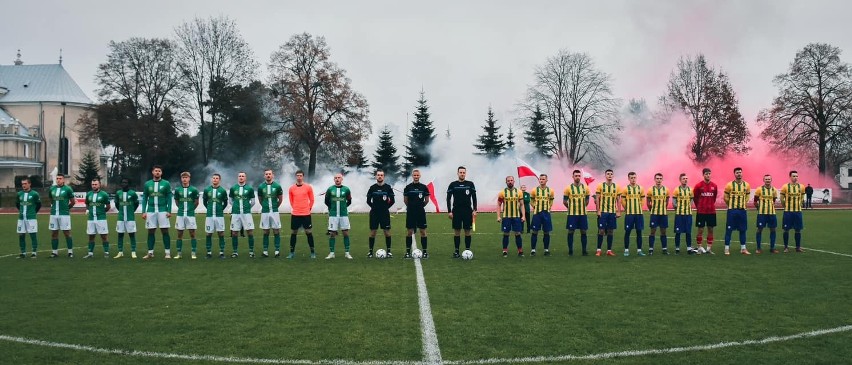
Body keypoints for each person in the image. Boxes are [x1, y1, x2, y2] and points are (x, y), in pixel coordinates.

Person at [141, 165, 172, 259]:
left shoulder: (166, 183)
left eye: (159, 171)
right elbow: (145, 198)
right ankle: (150, 253)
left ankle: (167, 252)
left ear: (161, 173)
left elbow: (169, 198)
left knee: (165, 231)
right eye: (156, 171)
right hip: (151, 211)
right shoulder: (147, 184)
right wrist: (143, 211)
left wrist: (169, 210)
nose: (157, 172)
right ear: (152, 172)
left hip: (163, 211)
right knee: (150, 231)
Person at [447, 166, 477, 258]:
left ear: (465, 173)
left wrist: (475, 210)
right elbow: (448, 198)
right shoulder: (453, 184)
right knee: (457, 231)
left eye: (464, 172)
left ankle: (467, 250)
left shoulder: (470, 184)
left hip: (468, 211)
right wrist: (449, 211)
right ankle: (456, 251)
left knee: (468, 231)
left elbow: (474, 198)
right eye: (460, 172)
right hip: (456, 211)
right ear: (457, 173)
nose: (462, 174)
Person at [367, 169, 395, 258]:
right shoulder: (372, 188)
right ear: (376, 176)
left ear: (384, 177)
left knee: (387, 232)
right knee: (373, 232)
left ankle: (389, 251)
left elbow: (392, 201)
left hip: (384, 214)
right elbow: (368, 201)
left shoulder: (388, 187)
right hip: (374, 213)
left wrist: (386, 208)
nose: (380, 176)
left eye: (381, 175)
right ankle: (370, 252)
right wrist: (374, 207)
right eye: (378, 175)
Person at [287, 170, 315, 258]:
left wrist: (308, 208)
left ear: (303, 177)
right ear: (296, 177)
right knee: (294, 232)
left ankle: (312, 252)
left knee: (308, 232)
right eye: (297, 175)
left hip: (306, 214)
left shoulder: (308, 187)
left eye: (300, 176)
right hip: (295, 214)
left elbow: (312, 199)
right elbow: (291, 200)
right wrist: (295, 207)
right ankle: (291, 253)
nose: (299, 177)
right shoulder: (291, 188)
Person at [325, 172, 353, 259]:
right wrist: (331, 208)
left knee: (345, 233)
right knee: (332, 234)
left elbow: (349, 201)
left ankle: (347, 253)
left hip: (344, 215)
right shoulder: (330, 189)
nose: (337, 179)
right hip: (333, 215)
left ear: (342, 179)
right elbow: (326, 201)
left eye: (339, 178)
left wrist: (344, 207)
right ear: (334, 179)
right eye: (336, 178)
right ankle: (332, 253)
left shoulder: (346, 189)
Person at [723, 167, 751, 255]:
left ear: (742, 173)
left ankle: (743, 248)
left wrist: (743, 204)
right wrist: (731, 205)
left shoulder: (747, 185)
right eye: (737, 172)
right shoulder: (729, 185)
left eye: (740, 172)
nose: (739, 174)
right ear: (734, 174)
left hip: (742, 211)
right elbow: (725, 198)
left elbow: (747, 197)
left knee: (743, 230)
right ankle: (726, 248)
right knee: (729, 230)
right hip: (732, 211)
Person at [257, 169, 284, 258]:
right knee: (265, 231)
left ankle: (277, 251)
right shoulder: (261, 187)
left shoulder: (277, 186)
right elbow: (260, 199)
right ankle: (265, 251)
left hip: (275, 212)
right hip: (265, 212)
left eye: (269, 174)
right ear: (264, 176)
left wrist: (275, 207)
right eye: (266, 174)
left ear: (273, 175)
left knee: (276, 231)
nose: (268, 175)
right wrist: (265, 206)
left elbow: (280, 199)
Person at [403, 169, 429, 259]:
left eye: (417, 175)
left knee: (423, 232)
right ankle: (407, 252)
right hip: (411, 213)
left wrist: (420, 206)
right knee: (410, 232)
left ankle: (425, 252)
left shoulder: (424, 187)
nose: (416, 177)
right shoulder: (408, 187)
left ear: (420, 176)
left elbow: (427, 200)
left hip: (420, 213)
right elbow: (405, 200)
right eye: (415, 175)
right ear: (412, 176)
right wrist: (411, 207)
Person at [563, 170, 590, 256]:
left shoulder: (585, 188)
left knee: (583, 231)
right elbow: (564, 201)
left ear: (580, 176)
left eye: (579, 175)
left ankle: (584, 251)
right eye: (576, 175)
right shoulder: (568, 188)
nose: (577, 177)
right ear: (573, 177)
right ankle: (570, 250)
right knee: (571, 231)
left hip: (582, 214)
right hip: (572, 214)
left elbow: (587, 200)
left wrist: (582, 207)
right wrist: (570, 208)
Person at [594, 169, 620, 257]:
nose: (609, 175)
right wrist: (598, 210)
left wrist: (619, 211)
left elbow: (618, 200)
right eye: (608, 174)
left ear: (613, 176)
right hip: (603, 212)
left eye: (611, 174)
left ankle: (609, 250)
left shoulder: (617, 187)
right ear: (605, 175)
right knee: (601, 231)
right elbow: (597, 199)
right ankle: (598, 250)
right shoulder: (600, 186)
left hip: (612, 213)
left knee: (610, 231)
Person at [497, 175, 525, 257]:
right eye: (508, 180)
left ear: (514, 181)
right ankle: (505, 250)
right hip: (506, 217)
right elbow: (498, 205)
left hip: (516, 217)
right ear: (506, 182)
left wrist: (523, 216)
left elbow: (522, 204)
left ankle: (520, 251)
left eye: (511, 180)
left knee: (518, 233)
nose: (510, 182)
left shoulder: (519, 192)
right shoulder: (502, 192)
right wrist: (498, 216)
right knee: (506, 234)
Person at [174, 172, 200, 259]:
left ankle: (193, 253)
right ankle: (179, 253)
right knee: (179, 234)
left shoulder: (194, 189)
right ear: (181, 179)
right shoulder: (178, 190)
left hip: (190, 215)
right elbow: (177, 202)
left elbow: (196, 202)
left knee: (192, 233)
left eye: (186, 177)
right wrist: (181, 208)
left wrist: (191, 209)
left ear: (189, 178)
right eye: (183, 177)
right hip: (180, 214)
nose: (184, 179)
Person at [48, 173, 75, 258]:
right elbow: (51, 200)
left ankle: (70, 252)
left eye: (60, 178)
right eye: (57, 178)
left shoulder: (68, 189)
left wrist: (67, 208)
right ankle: (54, 252)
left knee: (67, 233)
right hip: (53, 215)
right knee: (54, 233)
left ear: (63, 180)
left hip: (64, 215)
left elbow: (73, 202)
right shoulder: (52, 189)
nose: (58, 180)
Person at [229, 171, 256, 258]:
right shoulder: (233, 188)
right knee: (234, 233)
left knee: (250, 232)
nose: (241, 177)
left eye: (243, 176)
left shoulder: (250, 189)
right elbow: (230, 200)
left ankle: (251, 252)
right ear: (238, 178)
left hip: (246, 213)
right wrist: (236, 206)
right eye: (239, 176)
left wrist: (247, 207)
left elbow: (253, 202)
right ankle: (235, 252)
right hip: (235, 213)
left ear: (245, 178)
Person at [84, 178, 111, 258]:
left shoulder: (104, 194)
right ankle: (90, 253)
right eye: (93, 184)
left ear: (99, 185)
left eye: (95, 184)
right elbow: (87, 203)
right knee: (91, 236)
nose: (94, 186)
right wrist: (89, 209)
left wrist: (102, 212)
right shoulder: (89, 194)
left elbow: (108, 206)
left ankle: (106, 252)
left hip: (101, 219)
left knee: (104, 236)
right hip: (91, 219)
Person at [693, 168, 718, 254]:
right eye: (706, 174)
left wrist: (710, 205)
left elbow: (714, 198)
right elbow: (695, 198)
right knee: (700, 230)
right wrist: (699, 207)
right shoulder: (698, 186)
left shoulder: (714, 186)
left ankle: (709, 248)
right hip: (701, 212)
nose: (708, 175)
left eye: (709, 173)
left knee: (710, 229)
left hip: (711, 211)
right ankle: (699, 248)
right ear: (703, 175)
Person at [203, 173, 228, 259]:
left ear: (219, 180)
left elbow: (225, 203)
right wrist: (209, 208)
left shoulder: (223, 191)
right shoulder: (207, 190)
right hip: (209, 215)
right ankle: (209, 252)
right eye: (213, 178)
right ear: (211, 179)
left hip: (219, 216)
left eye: (217, 178)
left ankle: (221, 252)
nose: (215, 179)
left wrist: (220, 209)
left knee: (221, 233)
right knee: (208, 234)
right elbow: (204, 202)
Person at [620, 171, 645, 256]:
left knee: (639, 232)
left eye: (634, 177)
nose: (633, 179)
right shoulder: (625, 189)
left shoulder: (640, 188)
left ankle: (639, 250)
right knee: (627, 232)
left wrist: (639, 207)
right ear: (628, 179)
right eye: (631, 178)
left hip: (639, 214)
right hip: (629, 214)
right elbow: (622, 200)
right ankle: (626, 250)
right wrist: (627, 208)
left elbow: (642, 200)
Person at [529, 174, 555, 256]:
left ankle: (546, 250)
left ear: (547, 180)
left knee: (546, 232)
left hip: (546, 213)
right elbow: (531, 200)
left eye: (543, 179)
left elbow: (551, 200)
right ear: (539, 180)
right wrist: (534, 206)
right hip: (537, 213)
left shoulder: (550, 191)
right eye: (540, 179)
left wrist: (549, 207)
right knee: (535, 231)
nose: (541, 180)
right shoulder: (534, 190)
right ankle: (533, 250)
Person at [113, 178, 139, 258]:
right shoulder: (118, 193)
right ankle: (120, 251)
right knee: (120, 234)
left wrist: (131, 211)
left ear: (128, 184)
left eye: (126, 182)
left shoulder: (133, 193)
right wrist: (121, 211)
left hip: (130, 218)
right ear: (121, 184)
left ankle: (133, 251)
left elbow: (136, 203)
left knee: (132, 234)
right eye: (123, 182)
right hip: (120, 218)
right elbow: (117, 204)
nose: (124, 184)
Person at [780, 170, 805, 252]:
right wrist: (785, 206)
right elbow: (781, 199)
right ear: (790, 177)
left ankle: (798, 247)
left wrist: (800, 204)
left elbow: (801, 198)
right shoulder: (785, 186)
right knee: (786, 229)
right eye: (793, 176)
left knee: (798, 229)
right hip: (788, 212)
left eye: (796, 176)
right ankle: (786, 247)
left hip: (798, 212)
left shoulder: (801, 187)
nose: (795, 178)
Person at [754, 174, 779, 254]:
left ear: (771, 180)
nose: (768, 180)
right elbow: (755, 201)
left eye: (769, 179)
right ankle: (758, 248)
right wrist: (759, 208)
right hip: (762, 213)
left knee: (773, 229)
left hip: (772, 213)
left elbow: (774, 201)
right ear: (763, 180)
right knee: (759, 229)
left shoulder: (774, 190)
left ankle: (772, 248)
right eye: (766, 179)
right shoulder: (759, 189)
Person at [16, 177, 41, 258]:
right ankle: (23, 252)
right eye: (22, 184)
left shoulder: (34, 194)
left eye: (25, 183)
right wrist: (21, 212)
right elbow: (17, 204)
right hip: (21, 218)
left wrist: (33, 212)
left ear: (29, 184)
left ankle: (34, 252)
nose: (23, 185)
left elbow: (39, 204)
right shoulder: (19, 194)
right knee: (21, 235)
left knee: (32, 234)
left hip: (31, 218)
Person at [646, 173, 670, 255]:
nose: (659, 180)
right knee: (653, 231)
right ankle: (651, 249)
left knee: (663, 231)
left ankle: (664, 249)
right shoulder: (650, 190)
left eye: (660, 178)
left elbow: (667, 200)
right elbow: (648, 202)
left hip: (663, 214)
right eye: (657, 178)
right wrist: (651, 209)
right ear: (654, 179)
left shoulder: (666, 190)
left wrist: (664, 208)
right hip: (654, 214)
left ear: (662, 179)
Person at [671, 173, 695, 254]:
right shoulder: (676, 190)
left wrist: (688, 206)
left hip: (688, 214)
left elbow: (691, 200)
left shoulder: (690, 190)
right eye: (683, 178)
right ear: (680, 180)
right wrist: (679, 207)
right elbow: (674, 202)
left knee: (688, 232)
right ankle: (677, 249)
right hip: (679, 215)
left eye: (686, 178)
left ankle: (689, 249)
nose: (685, 180)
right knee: (678, 232)